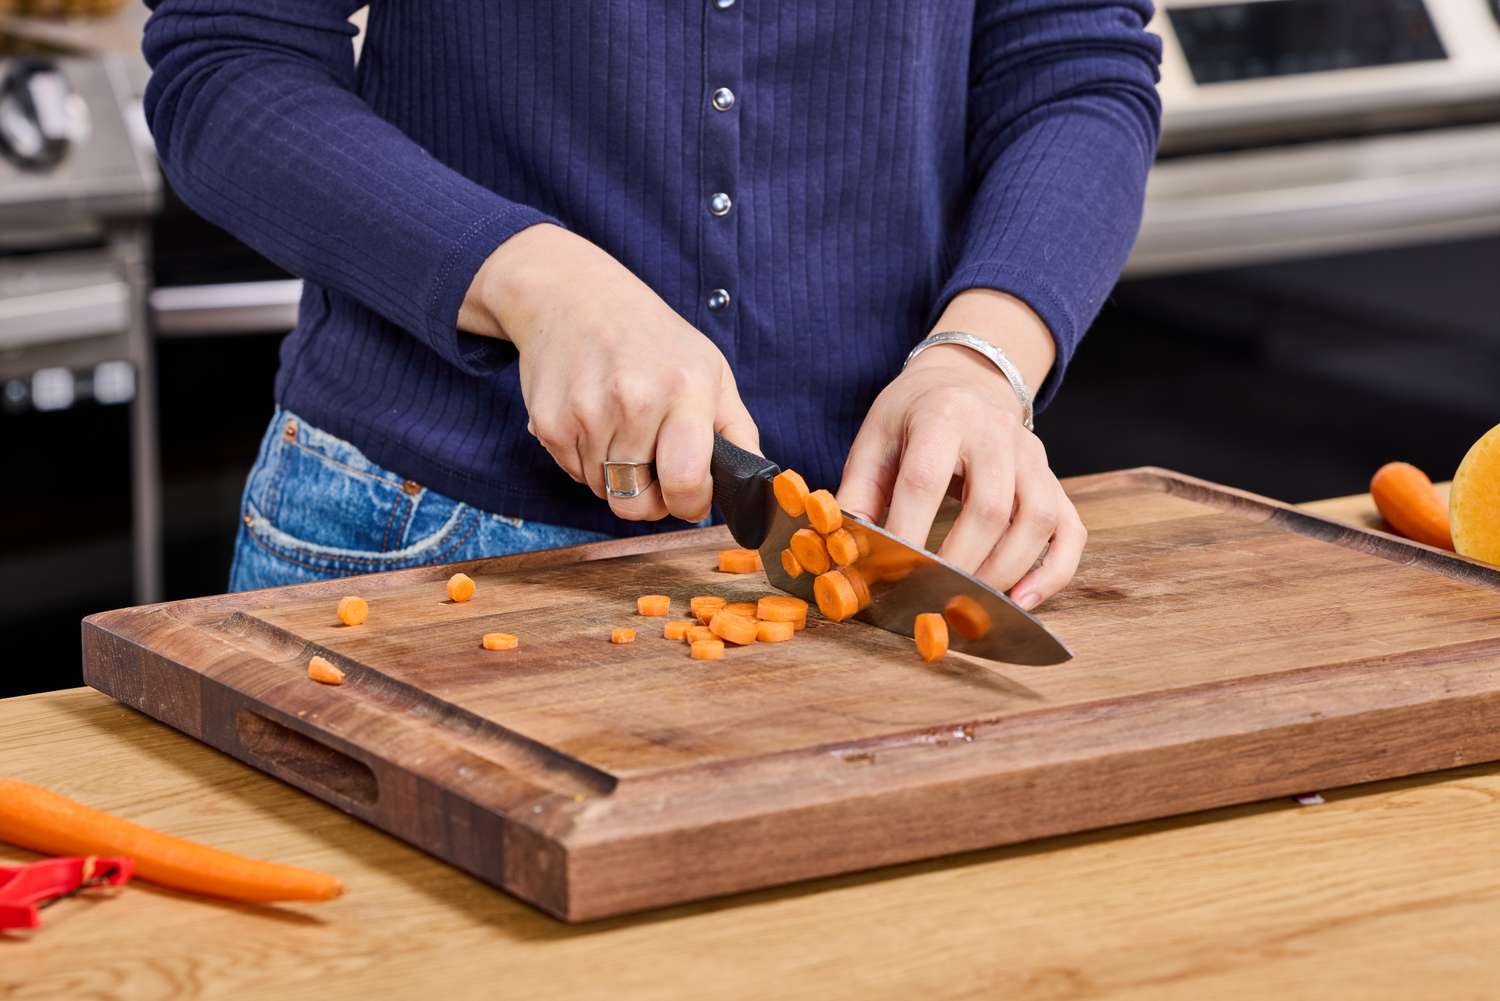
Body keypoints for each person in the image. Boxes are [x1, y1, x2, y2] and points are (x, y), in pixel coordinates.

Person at [142, 1, 1161, 608]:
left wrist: (981, 362)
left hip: (874, 545)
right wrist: (536, 282)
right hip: (423, 536)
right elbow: (230, 60)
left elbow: (1073, 72)